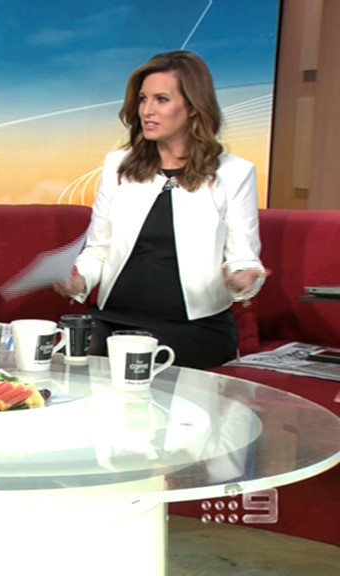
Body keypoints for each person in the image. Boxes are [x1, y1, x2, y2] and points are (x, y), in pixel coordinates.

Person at [54, 50, 267, 369]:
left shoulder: (234, 173)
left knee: (137, 362)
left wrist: (243, 280)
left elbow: (243, 259)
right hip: (115, 319)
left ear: (193, 107)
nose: (147, 111)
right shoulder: (119, 165)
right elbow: (98, 249)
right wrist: (79, 281)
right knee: (70, 354)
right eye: (143, 99)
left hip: (192, 327)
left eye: (161, 100)